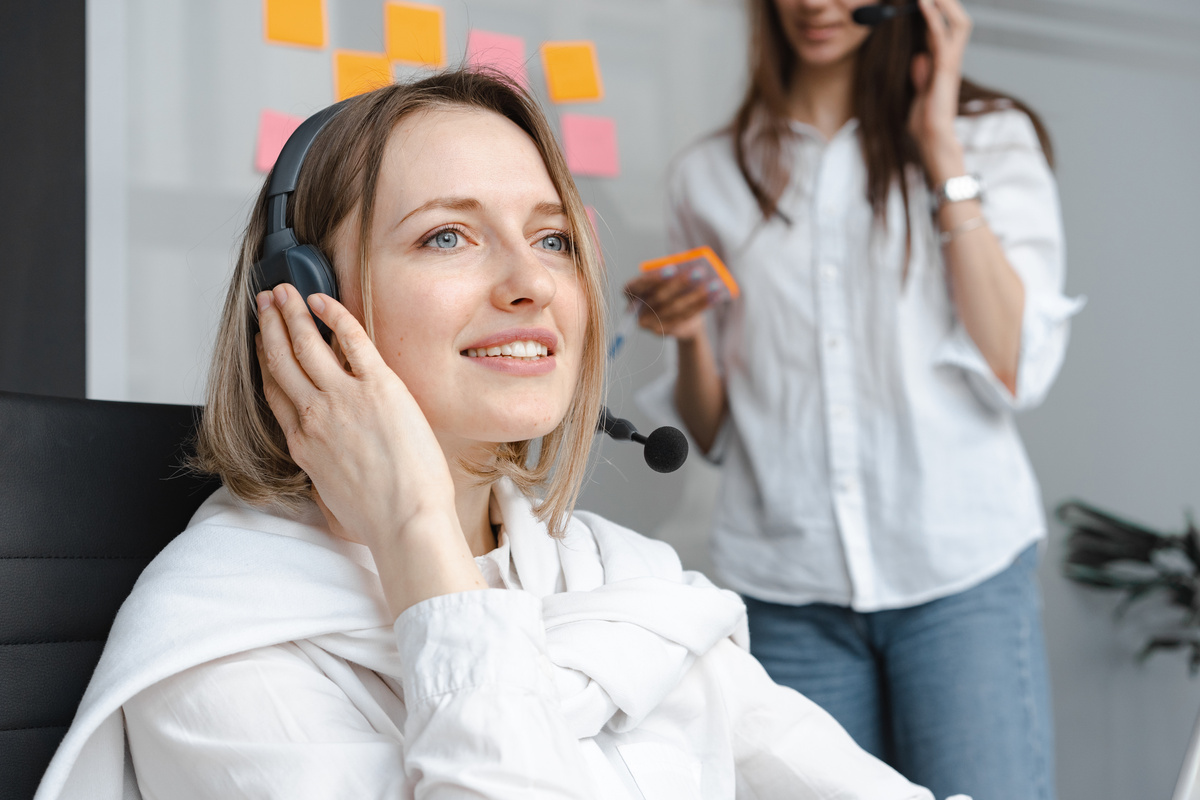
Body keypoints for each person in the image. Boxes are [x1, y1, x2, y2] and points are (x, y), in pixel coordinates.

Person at [34, 71, 941, 800]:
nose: (530, 284)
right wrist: (417, 539)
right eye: (447, 237)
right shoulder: (223, 653)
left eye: (551, 241)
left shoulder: (625, 589)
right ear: (309, 300)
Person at [625, 1, 1083, 799]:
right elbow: (716, 431)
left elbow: (1016, 364)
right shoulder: (710, 174)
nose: (816, 4)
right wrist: (692, 335)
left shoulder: (990, 139)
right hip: (787, 584)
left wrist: (941, 150)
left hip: (959, 575)